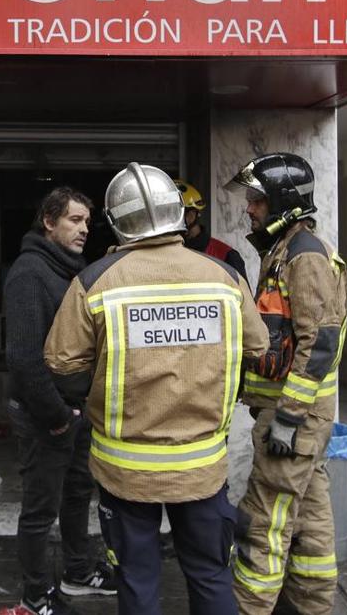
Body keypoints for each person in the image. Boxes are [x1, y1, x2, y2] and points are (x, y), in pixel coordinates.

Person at [44, 163, 268, 615]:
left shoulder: (95, 280)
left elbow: (61, 363)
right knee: (209, 575)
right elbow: (258, 345)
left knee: (137, 579)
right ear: (176, 213)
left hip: (125, 471)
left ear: (115, 220)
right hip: (203, 465)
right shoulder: (224, 277)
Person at [225, 154, 347, 615]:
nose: (250, 209)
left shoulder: (305, 254)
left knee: (264, 519)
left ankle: (249, 608)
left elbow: (320, 341)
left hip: (293, 417)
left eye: (256, 199)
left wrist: (290, 417)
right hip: (291, 414)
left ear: (283, 201)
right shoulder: (285, 250)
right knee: (312, 513)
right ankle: (312, 606)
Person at [4, 187, 117, 615]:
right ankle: (34, 596)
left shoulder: (71, 269)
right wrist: (56, 417)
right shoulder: (30, 273)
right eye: (74, 220)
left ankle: (78, 571)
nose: (84, 229)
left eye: (87, 222)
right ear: (48, 222)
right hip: (44, 415)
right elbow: (23, 357)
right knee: (39, 509)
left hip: (73, 412)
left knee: (75, 496)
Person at [174, 179, 249, 283]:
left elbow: (244, 297)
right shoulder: (164, 253)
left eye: (172, 215)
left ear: (191, 215)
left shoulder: (226, 255)